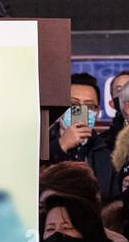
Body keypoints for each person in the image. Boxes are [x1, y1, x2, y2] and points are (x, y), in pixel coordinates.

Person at [48, 74, 121, 202]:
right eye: (73, 104)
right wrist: (60, 146)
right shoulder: (40, 144)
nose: (81, 111)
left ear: (97, 112)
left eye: (88, 106)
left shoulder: (109, 151)